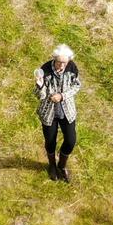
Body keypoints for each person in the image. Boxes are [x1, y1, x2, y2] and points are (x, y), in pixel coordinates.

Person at [34, 44, 81, 183]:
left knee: (71, 140)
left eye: (64, 62)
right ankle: (52, 165)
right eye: (59, 62)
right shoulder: (45, 71)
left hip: (67, 111)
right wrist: (40, 85)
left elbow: (77, 86)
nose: (61, 65)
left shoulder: (72, 68)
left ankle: (62, 165)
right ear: (54, 59)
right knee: (50, 141)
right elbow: (40, 96)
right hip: (49, 112)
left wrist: (62, 96)